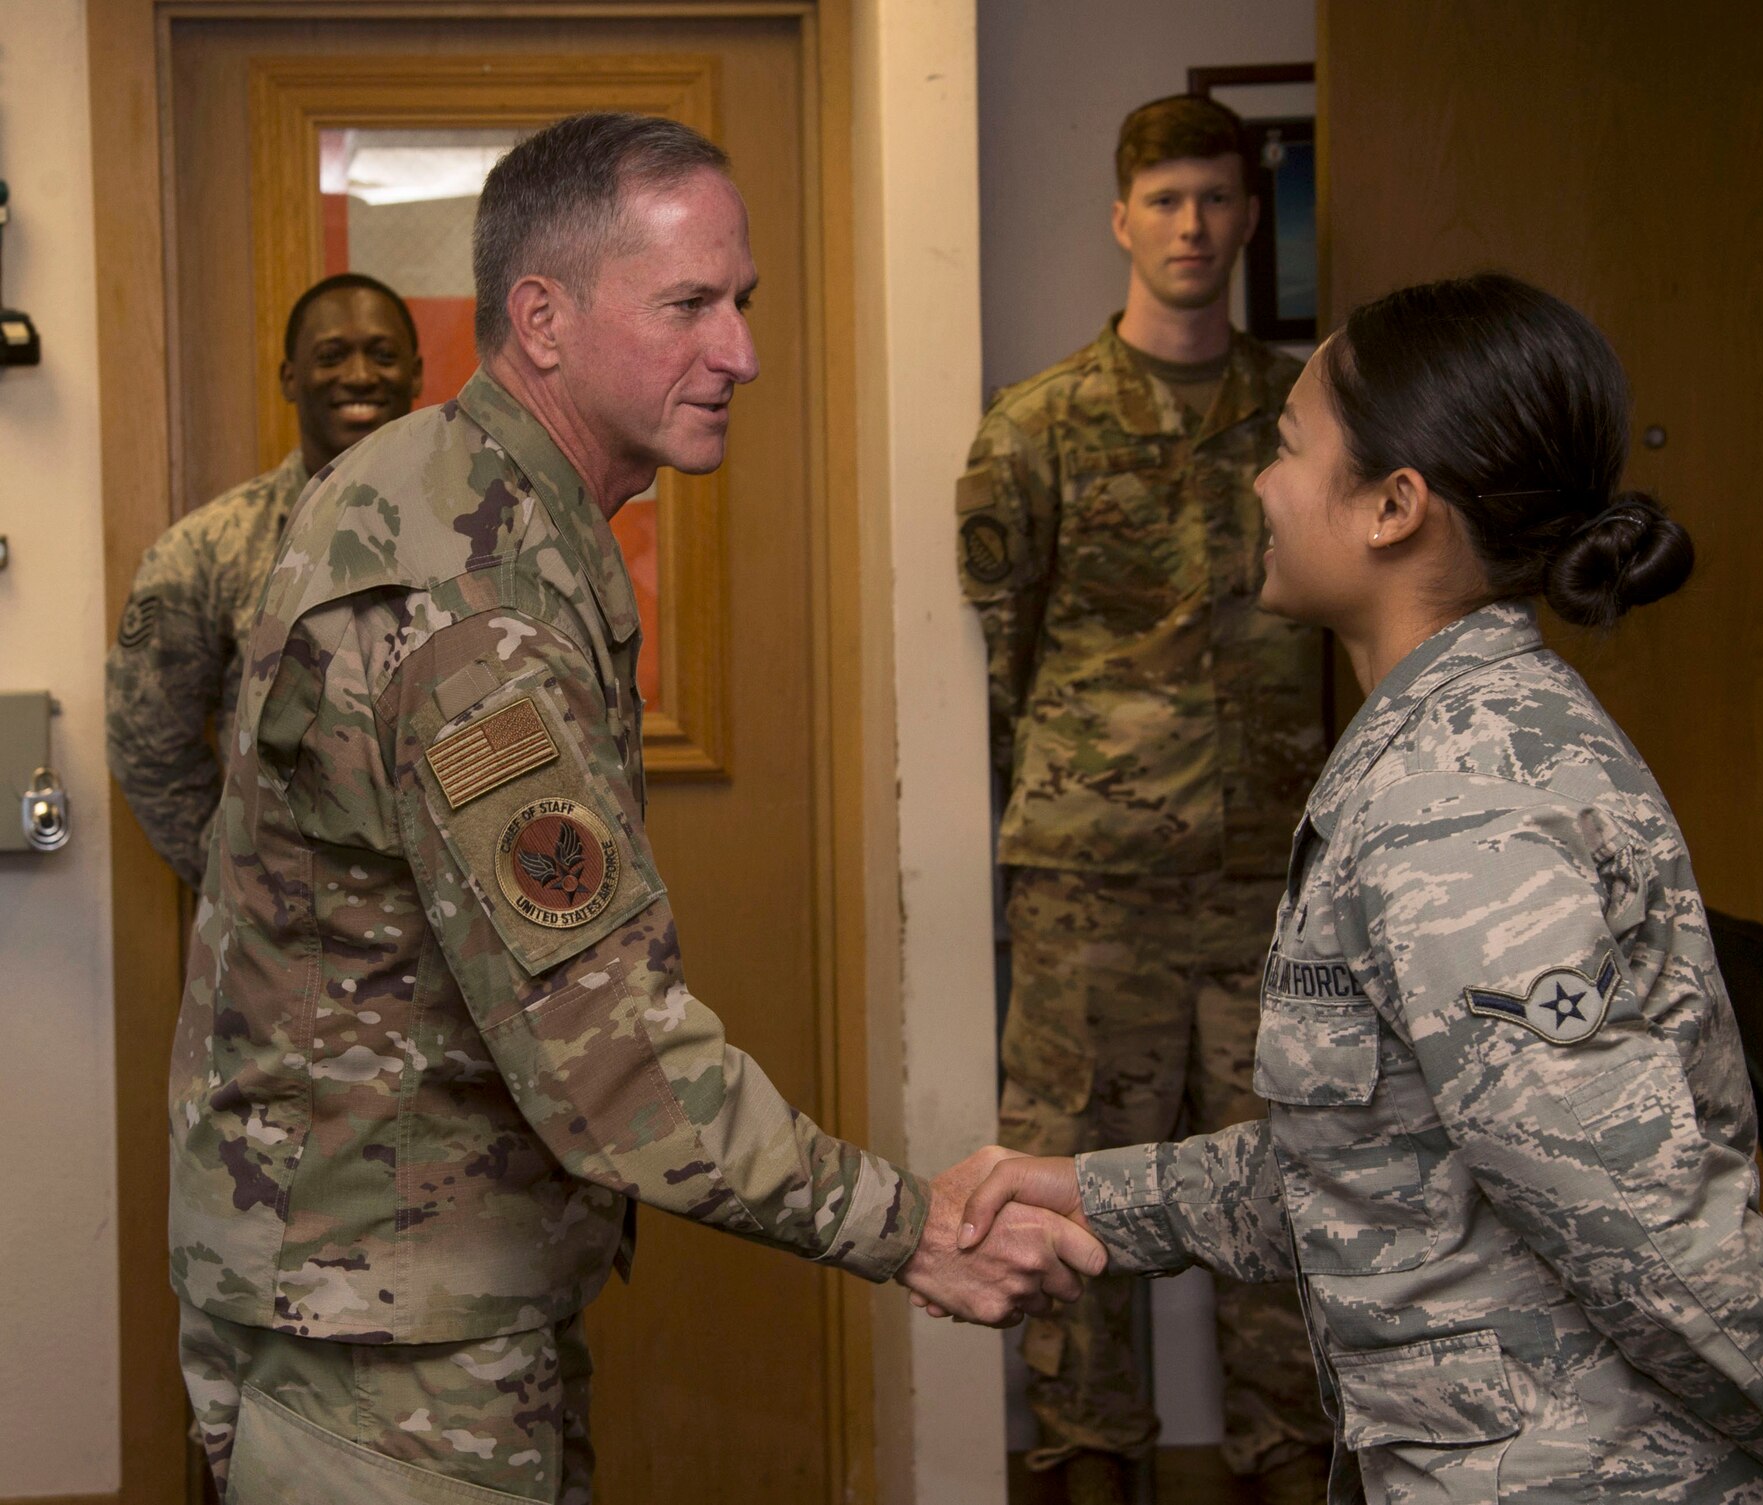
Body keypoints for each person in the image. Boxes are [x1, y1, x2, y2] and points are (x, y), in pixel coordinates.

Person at [168, 112, 1103, 1504]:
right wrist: (910, 1226)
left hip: (401, 1285)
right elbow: (612, 1057)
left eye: (743, 304)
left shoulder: (463, 496)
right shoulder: (467, 586)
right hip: (382, 1336)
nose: (742, 353)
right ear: (541, 320)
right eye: (689, 306)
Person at [957, 273, 1763, 1504]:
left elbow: (1637, 1230)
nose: (1258, 482)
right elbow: (1374, 1164)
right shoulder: (1428, 754)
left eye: (1287, 446)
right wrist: (1086, 1188)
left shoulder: (1461, 798)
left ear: (1390, 507)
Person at [954, 94, 1334, 1504]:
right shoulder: (1036, 427)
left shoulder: (1307, 422)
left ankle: (1290, 1462)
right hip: (1091, 885)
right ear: (1122, 217)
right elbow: (1006, 647)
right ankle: (1090, 1460)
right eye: (1165, 199)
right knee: (1071, 1187)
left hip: (1267, 883)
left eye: (1218, 199)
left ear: (1248, 215)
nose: (1192, 226)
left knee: (1287, 1180)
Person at [107, 273, 425, 885]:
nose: (359, 375)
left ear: (414, 374)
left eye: (382, 356)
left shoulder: (474, 535)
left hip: (454, 940)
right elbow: (147, 742)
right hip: (283, 952)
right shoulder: (208, 552)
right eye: (331, 356)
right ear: (289, 378)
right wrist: (238, 883)